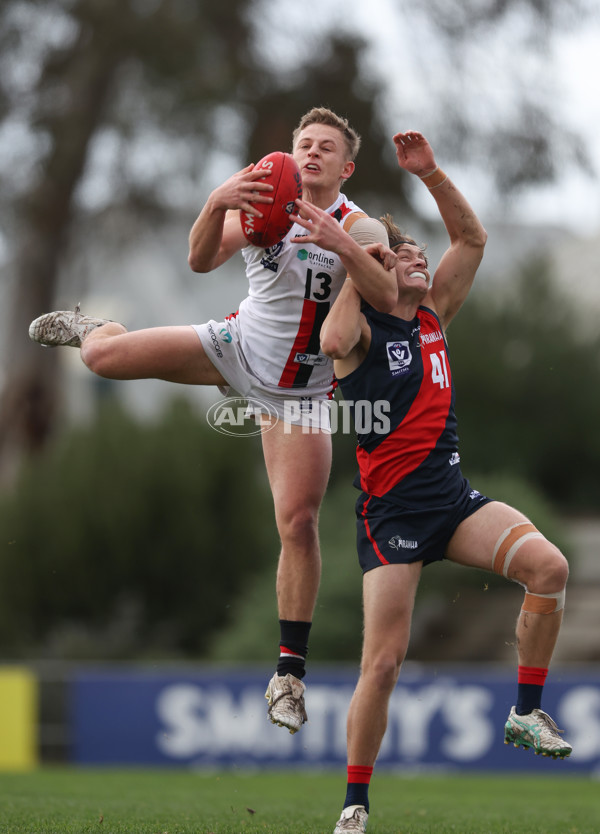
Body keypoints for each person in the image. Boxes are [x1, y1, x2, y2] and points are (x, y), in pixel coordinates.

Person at [28, 107, 398, 735]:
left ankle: (288, 673)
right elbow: (200, 260)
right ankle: (90, 326)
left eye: (326, 147)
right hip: (235, 347)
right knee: (101, 358)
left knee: (300, 523)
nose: (311, 153)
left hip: (300, 395)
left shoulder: (357, 226)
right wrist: (216, 201)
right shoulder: (260, 199)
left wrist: (339, 245)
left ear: (346, 165)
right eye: (304, 143)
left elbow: (386, 294)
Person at [314, 130, 572, 834]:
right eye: (403, 254)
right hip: (391, 516)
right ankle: (355, 805)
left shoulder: (435, 314)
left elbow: (474, 237)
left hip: (454, 503)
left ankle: (524, 713)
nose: (421, 257)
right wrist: (350, 256)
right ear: (379, 272)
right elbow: (333, 345)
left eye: (421, 252)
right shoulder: (364, 332)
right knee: (386, 663)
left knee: (549, 566)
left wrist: (429, 174)